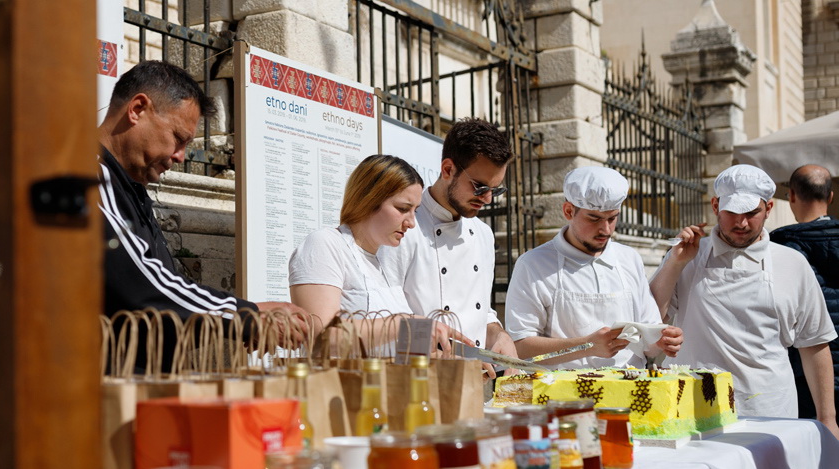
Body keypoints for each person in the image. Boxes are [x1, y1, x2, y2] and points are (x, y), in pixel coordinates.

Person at [98, 61, 305, 358]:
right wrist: (247, 315)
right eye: (178, 138)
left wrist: (229, 321)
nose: (180, 156)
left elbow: (161, 309)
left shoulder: (128, 187)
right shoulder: (89, 175)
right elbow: (144, 289)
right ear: (137, 109)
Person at [649, 164, 838, 429]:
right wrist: (675, 263)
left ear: (768, 209)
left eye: (752, 213)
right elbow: (651, 320)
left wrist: (828, 419)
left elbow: (815, 343)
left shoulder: (792, 262)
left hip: (771, 412)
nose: (741, 223)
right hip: (694, 412)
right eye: (732, 212)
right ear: (715, 206)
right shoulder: (686, 257)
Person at [505, 166, 682, 369]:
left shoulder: (629, 258)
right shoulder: (533, 264)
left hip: (630, 395)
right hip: (563, 397)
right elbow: (519, 348)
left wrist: (661, 340)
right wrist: (587, 346)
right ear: (569, 211)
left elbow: (650, 343)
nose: (605, 229)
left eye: (612, 218)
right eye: (594, 218)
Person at [379, 118, 519, 361]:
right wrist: (442, 356)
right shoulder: (404, 228)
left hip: (474, 381)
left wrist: (499, 334)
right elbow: (387, 320)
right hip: (418, 380)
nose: (487, 199)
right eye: (479, 187)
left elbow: (481, 311)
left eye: (495, 190)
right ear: (447, 169)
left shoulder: (483, 234)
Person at [287, 154, 455, 353]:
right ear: (369, 199)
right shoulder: (325, 244)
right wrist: (404, 323)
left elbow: (388, 349)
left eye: (415, 211)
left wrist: (446, 356)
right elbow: (320, 337)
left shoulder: (381, 263)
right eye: (403, 209)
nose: (411, 223)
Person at [769, 164, 839, 469]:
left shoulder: (780, 245)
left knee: (816, 446)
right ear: (830, 196)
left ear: (791, 197)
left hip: (808, 361)